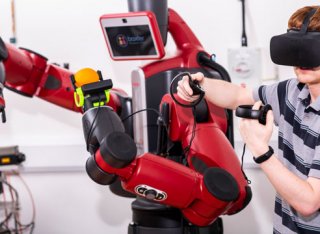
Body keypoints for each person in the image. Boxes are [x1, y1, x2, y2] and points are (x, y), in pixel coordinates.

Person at [177, 5, 320, 234]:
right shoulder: (292, 91)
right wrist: (200, 84)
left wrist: (260, 150)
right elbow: (237, 96)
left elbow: (309, 202)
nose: (301, 58)